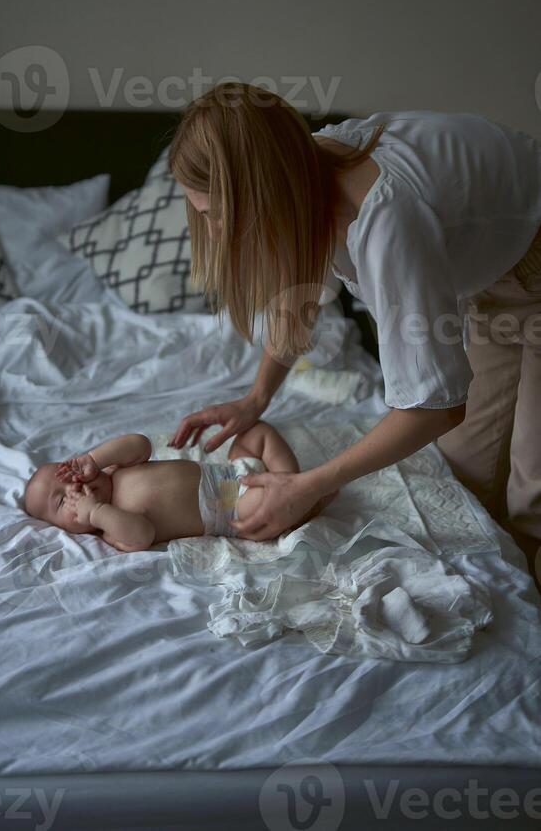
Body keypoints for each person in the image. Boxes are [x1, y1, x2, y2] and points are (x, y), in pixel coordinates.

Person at [167, 82, 541, 574]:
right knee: (465, 475)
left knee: (533, 488)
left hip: (531, 254)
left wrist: (310, 485)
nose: (214, 232)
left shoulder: (384, 215)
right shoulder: (303, 171)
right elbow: (298, 298)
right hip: (490, 279)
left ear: (259, 195)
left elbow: (437, 408)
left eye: (217, 214)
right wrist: (255, 399)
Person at [23, 423, 332, 551]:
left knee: (256, 431)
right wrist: (97, 512)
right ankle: (306, 497)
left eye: (67, 474)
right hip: (233, 510)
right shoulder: (110, 526)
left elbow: (140, 444)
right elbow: (142, 535)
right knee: (268, 505)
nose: (73, 488)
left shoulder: (115, 469)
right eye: (61, 502)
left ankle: (290, 482)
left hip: (231, 471)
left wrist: (93, 458)